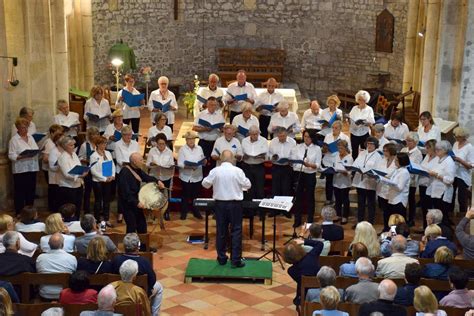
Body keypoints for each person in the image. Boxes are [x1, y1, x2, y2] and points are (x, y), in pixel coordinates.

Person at [202, 150, 251, 267]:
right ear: (233, 158)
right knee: (236, 231)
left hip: (220, 205)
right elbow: (248, 185)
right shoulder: (238, 171)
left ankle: (222, 258)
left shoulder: (215, 171)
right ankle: (235, 260)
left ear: (220, 159)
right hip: (235, 205)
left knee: (221, 231)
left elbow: (205, 184)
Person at [110, 233, 163, 312]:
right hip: (140, 294)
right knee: (159, 287)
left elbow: (112, 276)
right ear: (138, 246)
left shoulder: (116, 260)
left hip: (119, 292)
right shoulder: (144, 261)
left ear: (124, 246)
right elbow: (152, 281)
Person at [118, 153, 164, 233]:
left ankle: (143, 245)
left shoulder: (138, 169)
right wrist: (137, 203)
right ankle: (130, 244)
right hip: (128, 204)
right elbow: (125, 193)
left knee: (142, 225)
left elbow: (146, 177)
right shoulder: (124, 172)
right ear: (135, 162)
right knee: (131, 226)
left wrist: (157, 181)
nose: (143, 162)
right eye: (141, 160)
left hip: (136, 201)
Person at [8, 117, 40, 216]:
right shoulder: (14, 140)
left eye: (26, 127)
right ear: (17, 128)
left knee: (31, 191)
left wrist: (34, 152)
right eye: (22, 128)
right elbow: (11, 155)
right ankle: (19, 212)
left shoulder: (30, 137)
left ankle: (30, 212)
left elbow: (36, 149)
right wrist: (20, 156)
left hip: (32, 168)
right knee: (20, 192)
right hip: (20, 169)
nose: (25, 130)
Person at [291, 130, 321, 227]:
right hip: (299, 173)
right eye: (305, 137)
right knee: (298, 197)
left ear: (312, 138)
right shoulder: (298, 147)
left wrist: (309, 165)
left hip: (310, 174)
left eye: (308, 137)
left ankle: (310, 219)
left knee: (310, 197)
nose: (306, 139)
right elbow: (294, 161)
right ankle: (297, 219)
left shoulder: (317, 149)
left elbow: (318, 165)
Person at [36, 233, 77, 300]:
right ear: (63, 245)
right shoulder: (71, 258)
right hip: (65, 293)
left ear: (48, 244)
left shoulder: (40, 258)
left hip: (45, 293)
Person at [352, 137, 383, 225]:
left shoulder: (378, 156)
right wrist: (357, 168)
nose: (369, 145)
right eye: (368, 143)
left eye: (372, 144)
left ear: (375, 145)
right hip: (360, 181)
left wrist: (369, 172)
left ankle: (370, 223)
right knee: (360, 203)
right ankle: (360, 222)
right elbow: (355, 163)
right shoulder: (362, 153)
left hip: (370, 182)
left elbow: (377, 169)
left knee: (370, 204)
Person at [283, 238, 323, 306]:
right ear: (300, 250)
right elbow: (320, 244)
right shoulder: (312, 256)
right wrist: (304, 241)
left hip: (305, 295)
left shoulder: (291, 271)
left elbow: (301, 282)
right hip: (321, 287)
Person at [322, 120, 351, 207]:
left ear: (340, 129)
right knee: (329, 180)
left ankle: (339, 201)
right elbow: (323, 150)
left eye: (336, 128)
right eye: (333, 128)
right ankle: (329, 198)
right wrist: (325, 149)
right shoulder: (327, 136)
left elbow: (349, 151)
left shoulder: (345, 138)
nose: (333, 130)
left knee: (338, 181)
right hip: (328, 160)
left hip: (340, 161)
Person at [145, 133, 174, 221]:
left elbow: (172, 164)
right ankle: (154, 213)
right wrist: (152, 165)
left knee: (165, 196)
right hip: (155, 176)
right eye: (159, 144)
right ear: (156, 143)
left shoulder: (169, 152)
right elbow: (147, 164)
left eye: (163, 144)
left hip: (166, 176)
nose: (161, 146)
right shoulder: (152, 151)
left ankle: (166, 212)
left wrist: (169, 167)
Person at [177, 131, 205, 220]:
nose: (191, 141)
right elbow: (180, 164)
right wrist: (189, 167)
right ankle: (183, 212)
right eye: (189, 139)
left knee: (196, 195)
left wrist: (204, 162)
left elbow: (202, 159)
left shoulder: (199, 148)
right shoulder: (182, 149)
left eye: (193, 139)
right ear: (186, 140)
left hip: (197, 175)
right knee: (185, 195)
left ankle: (196, 211)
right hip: (186, 176)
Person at [427, 140, 456, 224]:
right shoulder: (438, 159)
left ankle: (445, 234)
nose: (436, 151)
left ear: (445, 151)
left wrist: (436, 175)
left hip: (443, 192)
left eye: (438, 150)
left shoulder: (449, 162)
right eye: (436, 149)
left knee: (443, 216)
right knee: (437, 216)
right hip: (435, 190)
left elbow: (450, 180)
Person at [57, 136, 88, 217]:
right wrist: (80, 175)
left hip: (78, 184)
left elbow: (79, 166)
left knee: (77, 207)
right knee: (69, 209)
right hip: (67, 186)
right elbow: (66, 174)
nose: (73, 147)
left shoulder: (74, 154)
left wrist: (84, 171)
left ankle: (76, 222)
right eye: (71, 145)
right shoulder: (62, 157)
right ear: (65, 146)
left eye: (73, 145)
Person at [193, 97, 225, 170]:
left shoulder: (219, 115)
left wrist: (221, 128)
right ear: (207, 105)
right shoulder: (201, 114)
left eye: (214, 105)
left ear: (216, 105)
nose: (212, 106)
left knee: (214, 164)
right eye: (210, 104)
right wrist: (205, 129)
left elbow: (223, 129)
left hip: (215, 143)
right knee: (202, 162)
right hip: (203, 142)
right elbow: (194, 128)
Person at [90, 135, 115, 226]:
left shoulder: (108, 153)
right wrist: (104, 179)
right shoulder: (93, 155)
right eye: (102, 143)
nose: (104, 145)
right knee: (98, 201)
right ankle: (97, 220)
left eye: (105, 143)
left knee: (106, 201)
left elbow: (112, 165)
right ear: (97, 144)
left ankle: (106, 219)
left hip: (108, 180)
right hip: (98, 182)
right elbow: (93, 171)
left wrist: (112, 175)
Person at [401, 132, 423, 226]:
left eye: (410, 141)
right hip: (401, 178)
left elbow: (415, 166)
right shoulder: (403, 149)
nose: (407, 142)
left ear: (415, 142)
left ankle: (411, 219)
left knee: (411, 199)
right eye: (407, 140)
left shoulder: (418, 153)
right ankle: (402, 218)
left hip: (411, 179)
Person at [268, 127, 296, 199]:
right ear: (277, 135)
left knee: (286, 189)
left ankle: (285, 208)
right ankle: (276, 208)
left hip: (287, 167)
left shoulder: (292, 142)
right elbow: (269, 154)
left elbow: (295, 155)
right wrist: (272, 157)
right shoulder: (273, 141)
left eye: (283, 136)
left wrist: (290, 160)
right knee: (275, 189)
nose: (282, 138)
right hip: (276, 167)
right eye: (280, 136)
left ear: (286, 134)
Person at [241, 125, 268, 201]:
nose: (255, 136)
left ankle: (260, 211)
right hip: (247, 166)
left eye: (256, 134)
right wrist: (243, 156)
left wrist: (262, 156)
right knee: (248, 188)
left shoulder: (264, 140)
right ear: (249, 133)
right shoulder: (244, 141)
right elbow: (241, 153)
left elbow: (267, 155)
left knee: (260, 188)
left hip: (259, 166)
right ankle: (249, 211)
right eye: (253, 134)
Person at [375, 143, 398, 230]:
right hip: (382, 189)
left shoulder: (396, 161)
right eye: (383, 151)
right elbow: (378, 170)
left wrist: (385, 176)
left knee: (391, 214)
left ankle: (393, 232)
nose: (384, 153)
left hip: (391, 190)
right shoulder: (383, 160)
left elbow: (396, 174)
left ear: (391, 151)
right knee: (385, 212)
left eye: (386, 151)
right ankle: (385, 229)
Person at [384, 152, 411, 226]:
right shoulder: (397, 170)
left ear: (401, 161)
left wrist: (389, 183)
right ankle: (391, 234)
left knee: (398, 222)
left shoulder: (404, 172)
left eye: (396, 160)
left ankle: (399, 235)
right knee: (391, 220)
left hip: (399, 200)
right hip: (392, 198)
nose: (394, 162)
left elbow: (400, 188)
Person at [451, 127, 474, 215]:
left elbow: (471, 165)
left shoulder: (469, 147)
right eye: (455, 136)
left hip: (463, 175)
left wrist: (460, 160)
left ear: (464, 137)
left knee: (462, 198)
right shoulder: (455, 144)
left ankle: (463, 217)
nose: (456, 139)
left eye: (458, 137)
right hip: (454, 173)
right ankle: (450, 217)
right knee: (450, 196)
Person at [42, 125, 64, 212]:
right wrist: (55, 159)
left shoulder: (59, 144)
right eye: (58, 133)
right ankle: (52, 209)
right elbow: (45, 158)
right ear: (52, 133)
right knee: (52, 189)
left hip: (58, 171)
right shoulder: (49, 143)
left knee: (56, 190)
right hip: (50, 169)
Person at [348, 90, 375, 160]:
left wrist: (365, 123)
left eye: (363, 100)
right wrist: (348, 120)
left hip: (364, 133)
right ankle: (354, 165)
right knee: (354, 150)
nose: (361, 101)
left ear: (366, 100)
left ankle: (363, 164)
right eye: (359, 99)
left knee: (365, 150)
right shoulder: (354, 108)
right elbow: (350, 119)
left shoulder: (369, 109)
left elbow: (371, 122)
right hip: (354, 132)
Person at [78, 127, 100, 214]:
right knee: (88, 191)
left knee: (97, 191)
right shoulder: (85, 145)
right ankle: (86, 209)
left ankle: (97, 210)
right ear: (90, 135)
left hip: (97, 170)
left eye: (97, 134)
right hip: (88, 170)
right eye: (94, 134)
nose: (96, 136)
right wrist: (87, 160)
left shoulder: (98, 144)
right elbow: (79, 157)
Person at [332, 140, 353, 224]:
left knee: (345, 200)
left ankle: (345, 216)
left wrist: (344, 172)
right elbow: (333, 166)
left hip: (345, 182)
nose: (340, 150)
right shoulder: (335, 156)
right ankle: (338, 215)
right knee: (337, 200)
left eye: (341, 148)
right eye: (338, 148)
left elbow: (350, 171)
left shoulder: (349, 158)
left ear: (345, 148)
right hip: (336, 181)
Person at [419, 140, 438, 227]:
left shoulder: (438, 158)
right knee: (424, 207)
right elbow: (422, 166)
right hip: (423, 183)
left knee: (430, 207)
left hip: (431, 185)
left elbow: (436, 171)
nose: (426, 150)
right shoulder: (427, 156)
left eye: (428, 148)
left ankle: (431, 227)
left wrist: (428, 171)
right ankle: (425, 226)